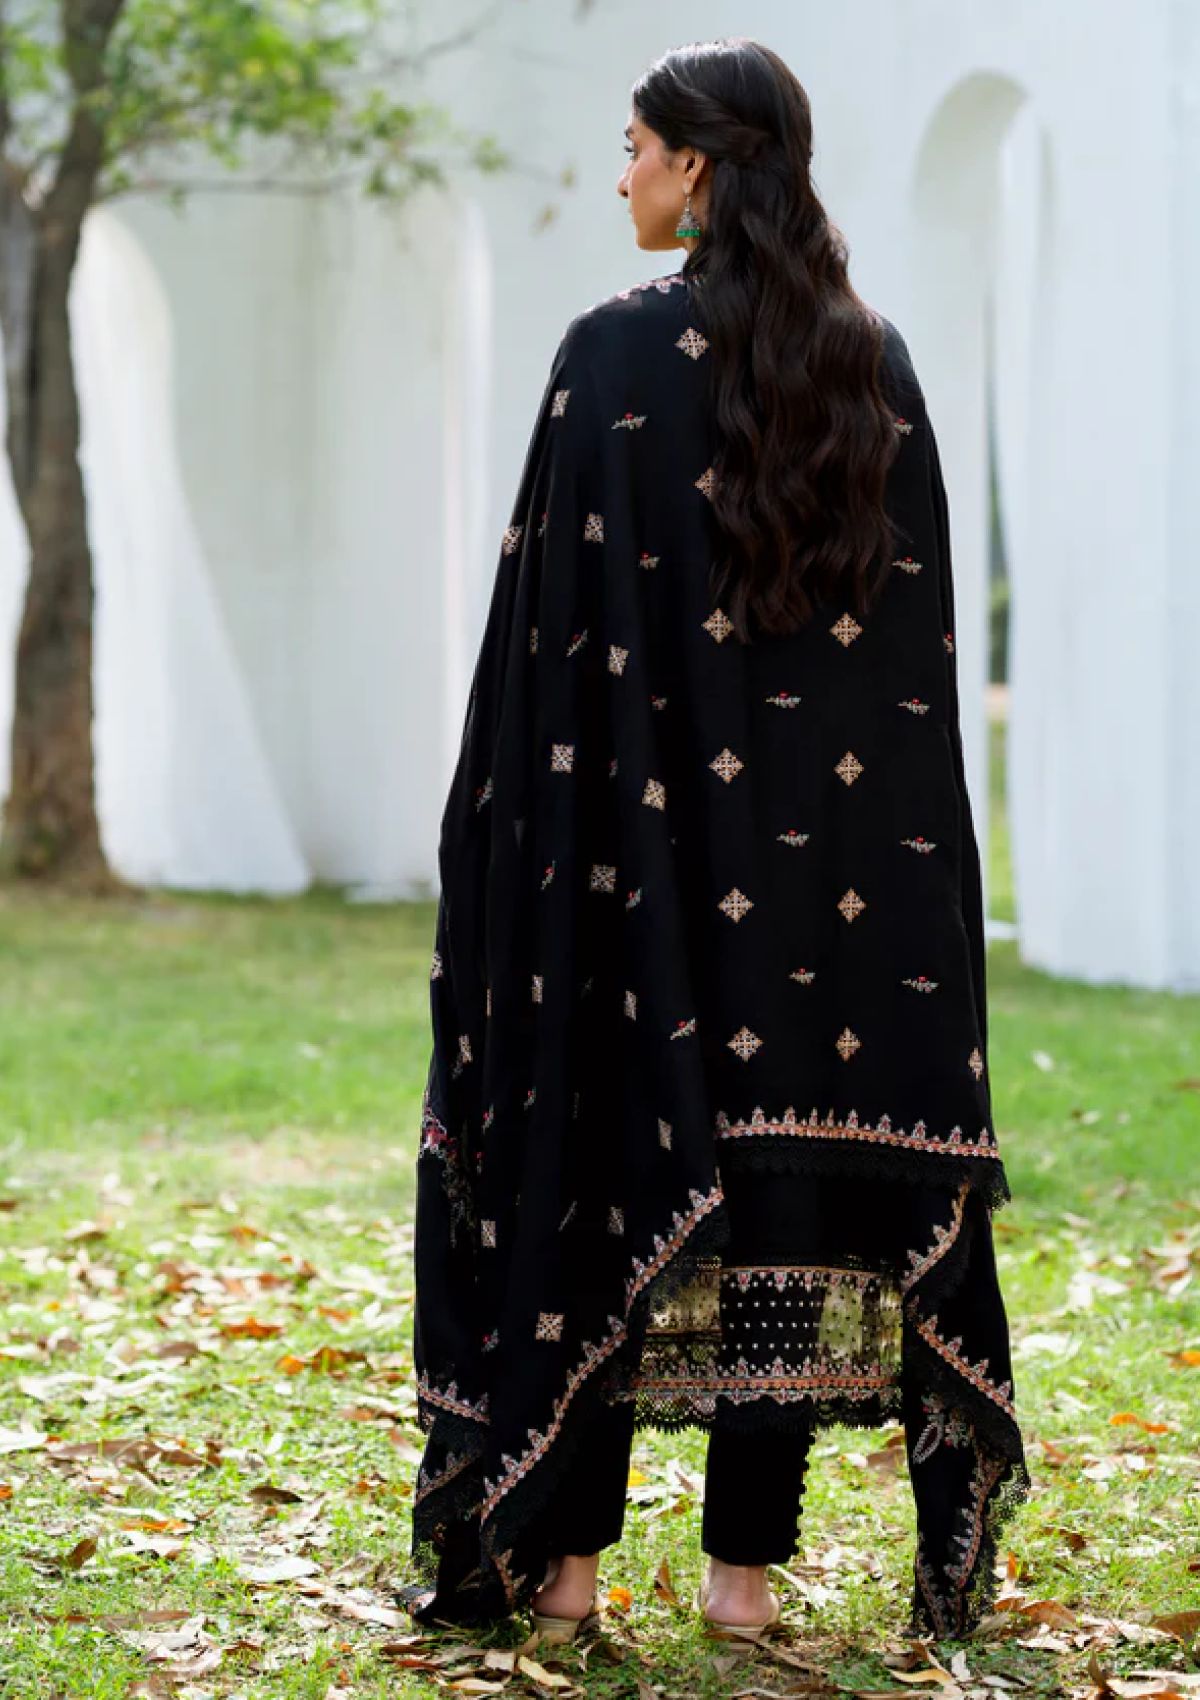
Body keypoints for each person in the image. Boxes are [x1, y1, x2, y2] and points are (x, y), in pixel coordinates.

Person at [398, 36, 1030, 1645]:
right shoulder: (873, 364)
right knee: (784, 1200)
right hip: (834, 887)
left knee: (603, 1184)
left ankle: (566, 1574)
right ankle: (743, 1586)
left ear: (694, 166)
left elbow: (545, 645)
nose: (618, 174)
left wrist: (515, 854)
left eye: (632, 146)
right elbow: (910, 676)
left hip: (638, 876)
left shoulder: (609, 360)